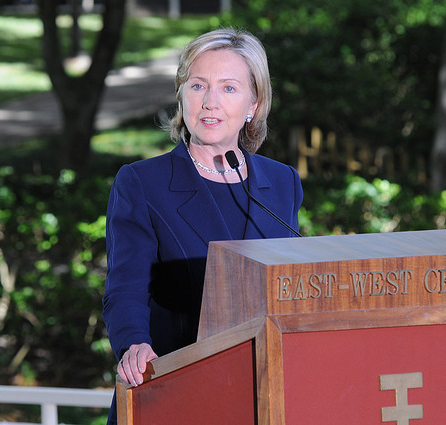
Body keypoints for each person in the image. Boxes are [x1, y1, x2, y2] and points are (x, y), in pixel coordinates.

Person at [102, 27, 303, 424]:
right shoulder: (142, 182)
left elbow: (289, 288)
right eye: (198, 85)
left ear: (254, 103)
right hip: (175, 387)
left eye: (229, 88)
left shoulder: (282, 183)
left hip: (263, 392)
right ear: (181, 94)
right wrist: (134, 344)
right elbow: (125, 288)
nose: (210, 102)